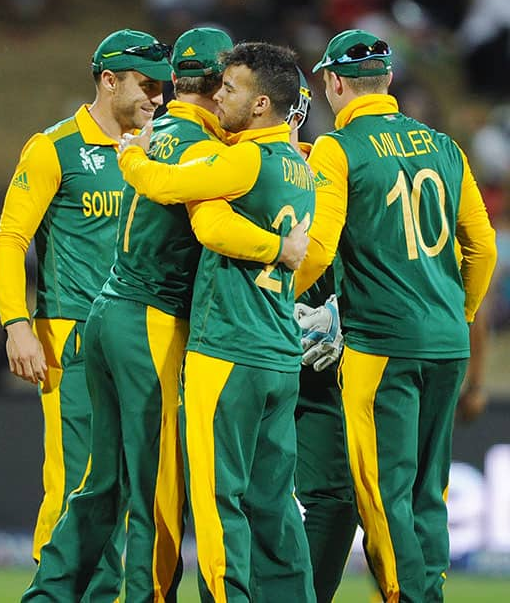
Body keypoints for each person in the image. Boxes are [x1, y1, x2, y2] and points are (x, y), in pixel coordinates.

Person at [21, 29, 310, 603]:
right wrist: (281, 247)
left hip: (109, 310)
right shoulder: (204, 148)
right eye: (226, 83)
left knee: (98, 484)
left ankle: (49, 595)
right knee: (157, 492)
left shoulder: (160, 131)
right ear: (216, 87)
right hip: (152, 323)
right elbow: (212, 226)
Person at [295, 29, 498, 602]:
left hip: (381, 345)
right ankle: (425, 588)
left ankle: (411, 597)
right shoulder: (442, 145)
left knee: (382, 495)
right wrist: (456, 314)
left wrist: (277, 300)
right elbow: (482, 249)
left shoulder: (340, 147)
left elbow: (319, 250)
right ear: (388, 82)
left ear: (334, 82)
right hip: (446, 344)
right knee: (428, 493)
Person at [117, 41, 318, 602]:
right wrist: (281, 247)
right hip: (280, 353)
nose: (217, 94)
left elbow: (173, 192)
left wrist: (132, 153)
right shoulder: (300, 168)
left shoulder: (243, 160)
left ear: (260, 106)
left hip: (228, 349)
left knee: (216, 502)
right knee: (275, 506)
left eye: (230, 87)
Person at [0, 28, 172, 601]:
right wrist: (16, 324)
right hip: (71, 334)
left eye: (163, 87)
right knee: (77, 485)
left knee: (131, 487)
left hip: (146, 333)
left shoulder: (160, 147)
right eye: (145, 85)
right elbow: (9, 240)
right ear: (108, 80)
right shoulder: (55, 149)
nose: (158, 98)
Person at [286, 69, 359, 603]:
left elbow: (368, 264)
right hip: (238, 353)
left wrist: (342, 315)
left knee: (337, 498)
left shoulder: (327, 168)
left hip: (319, 362)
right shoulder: (213, 168)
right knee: (236, 503)